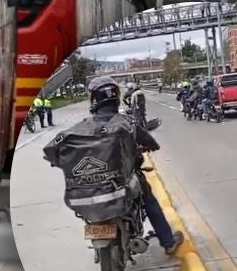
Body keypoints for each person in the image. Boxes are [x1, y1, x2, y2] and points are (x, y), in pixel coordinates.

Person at [54, 80, 184, 253]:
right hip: (124, 180)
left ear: (94, 100)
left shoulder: (82, 127)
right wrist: (151, 146)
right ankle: (168, 242)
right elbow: (150, 142)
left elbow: (54, 149)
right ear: (116, 98)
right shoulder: (127, 122)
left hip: (90, 184)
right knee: (148, 199)